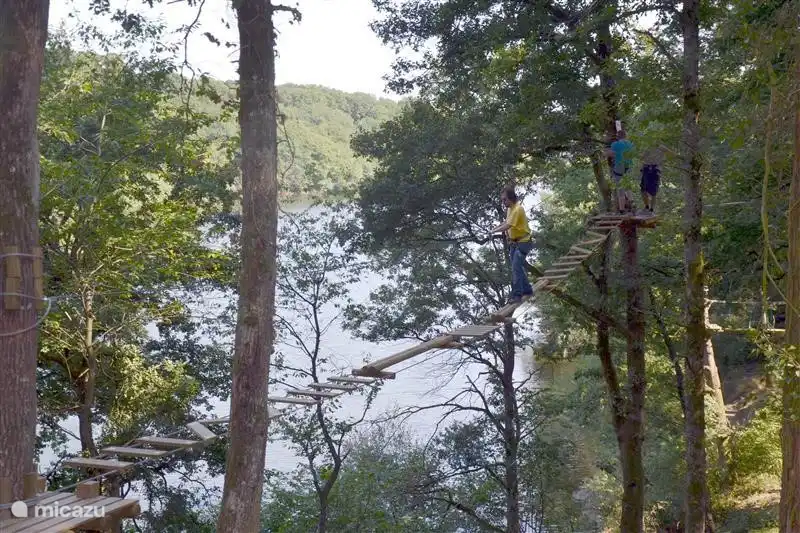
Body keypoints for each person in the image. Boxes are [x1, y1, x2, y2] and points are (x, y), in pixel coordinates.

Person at [491, 186, 533, 303]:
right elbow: (506, 222)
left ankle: (517, 295)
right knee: (517, 267)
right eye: (502, 200)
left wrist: (494, 231)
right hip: (515, 243)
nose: (503, 202)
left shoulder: (517, 209)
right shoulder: (510, 209)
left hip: (523, 243)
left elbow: (508, 226)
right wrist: (495, 228)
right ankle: (528, 290)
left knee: (516, 268)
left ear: (511, 198)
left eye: (504, 200)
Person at [607, 129, 635, 213]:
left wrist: (606, 152)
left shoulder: (614, 144)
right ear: (625, 136)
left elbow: (611, 154)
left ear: (617, 136)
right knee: (628, 186)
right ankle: (632, 204)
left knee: (620, 188)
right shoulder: (631, 144)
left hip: (619, 166)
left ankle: (622, 210)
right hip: (629, 166)